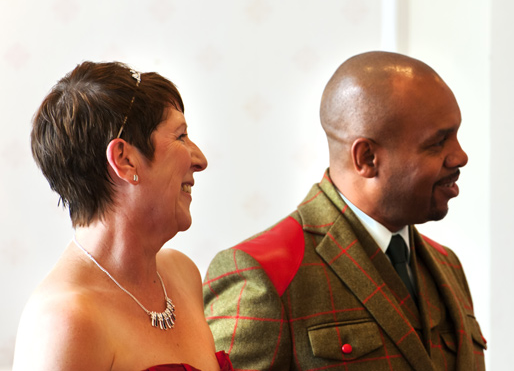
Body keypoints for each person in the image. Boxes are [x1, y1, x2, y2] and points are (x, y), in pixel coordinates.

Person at [203, 51, 486, 370]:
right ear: (367, 158)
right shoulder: (264, 272)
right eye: (437, 143)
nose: (460, 156)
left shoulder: (447, 265)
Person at [13, 61, 231, 371]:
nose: (200, 160)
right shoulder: (65, 321)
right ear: (124, 159)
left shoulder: (183, 275)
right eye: (181, 136)